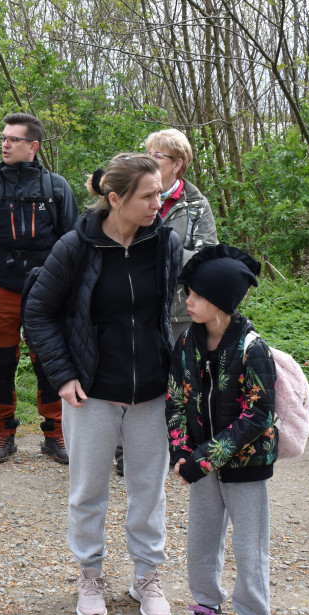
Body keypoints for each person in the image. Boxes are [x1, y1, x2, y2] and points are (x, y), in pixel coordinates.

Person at [24, 154, 182, 615]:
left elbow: (182, 308)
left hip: (152, 390)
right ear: (116, 199)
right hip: (91, 390)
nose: (159, 201)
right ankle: (90, 575)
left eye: (161, 192)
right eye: (149, 195)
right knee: (89, 489)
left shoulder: (166, 244)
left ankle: (146, 577)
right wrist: (64, 375)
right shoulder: (75, 246)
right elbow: (39, 313)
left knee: (148, 490)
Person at [166, 244, 277, 615]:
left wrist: (204, 457)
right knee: (202, 538)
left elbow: (259, 415)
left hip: (246, 464)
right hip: (200, 463)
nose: (187, 301)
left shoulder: (252, 348)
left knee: (249, 545)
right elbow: (175, 399)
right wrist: (181, 450)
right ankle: (206, 607)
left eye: (194, 295)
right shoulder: (186, 342)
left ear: (220, 301)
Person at [0, 112, 79, 464]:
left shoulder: (56, 188)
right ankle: (3, 434)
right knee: (1, 365)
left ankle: (55, 434)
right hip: (3, 291)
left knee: (50, 363)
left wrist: (63, 288)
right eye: (4, 138)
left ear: (33, 146)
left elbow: (73, 241)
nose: (5, 144)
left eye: (14, 139)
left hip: (48, 293)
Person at [109, 129, 220, 476]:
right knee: (132, 375)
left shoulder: (196, 204)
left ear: (179, 164)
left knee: (178, 381)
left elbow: (206, 256)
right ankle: (123, 451)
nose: (151, 159)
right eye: (149, 153)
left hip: (177, 309)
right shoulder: (130, 193)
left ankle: (175, 448)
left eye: (160, 156)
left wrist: (163, 255)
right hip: (133, 304)